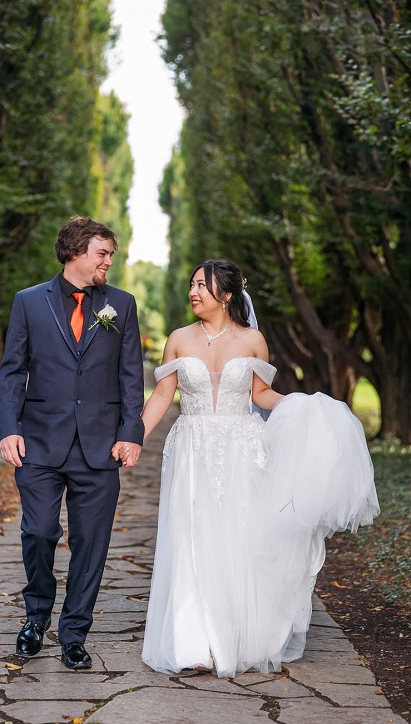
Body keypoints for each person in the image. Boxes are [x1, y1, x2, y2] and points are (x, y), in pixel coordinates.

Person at [141, 259, 379, 678]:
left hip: (242, 447)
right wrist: (135, 436)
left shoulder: (253, 340)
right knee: (191, 535)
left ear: (227, 295)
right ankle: (194, 640)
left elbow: (261, 394)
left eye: (203, 285)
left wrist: (298, 405)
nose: (193, 292)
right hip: (192, 448)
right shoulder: (178, 339)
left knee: (241, 536)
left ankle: (239, 635)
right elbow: (163, 395)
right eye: (192, 284)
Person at [0, 215, 144, 671]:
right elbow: (11, 371)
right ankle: (35, 617)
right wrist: (9, 428)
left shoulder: (121, 303)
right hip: (39, 442)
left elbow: (131, 376)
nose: (109, 262)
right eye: (103, 253)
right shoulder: (28, 302)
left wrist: (130, 434)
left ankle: (75, 633)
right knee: (39, 532)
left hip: (100, 447)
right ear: (77, 251)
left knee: (92, 544)